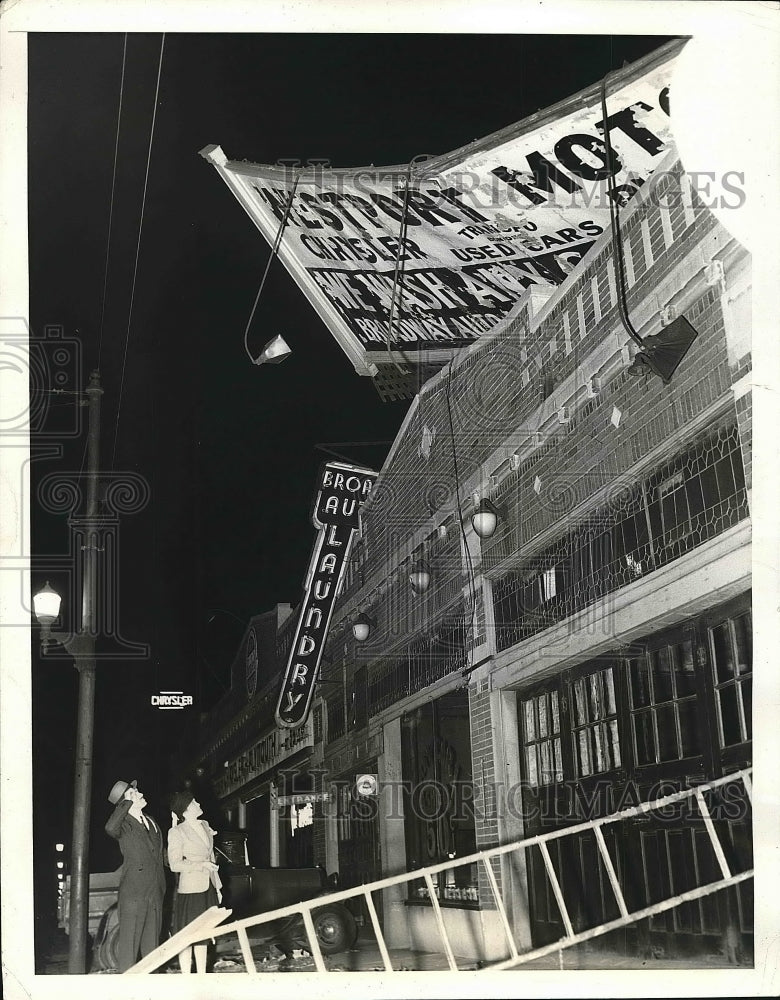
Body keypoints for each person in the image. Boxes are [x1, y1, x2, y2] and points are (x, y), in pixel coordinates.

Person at [104, 778, 166, 973]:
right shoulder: (122, 825)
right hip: (134, 892)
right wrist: (127, 802)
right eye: (135, 793)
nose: (141, 794)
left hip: (154, 890)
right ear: (126, 800)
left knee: (152, 945)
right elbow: (110, 828)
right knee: (129, 945)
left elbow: (159, 855)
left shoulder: (151, 821)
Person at [167, 791, 222, 974]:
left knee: (203, 935)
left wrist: (218, 886)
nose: (198, 803)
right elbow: (175, 864)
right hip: (191, 889)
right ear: (186, 809)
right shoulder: (176, 832)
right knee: (187, 935)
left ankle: (201, 975)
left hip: (208, 887)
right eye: (194, 801)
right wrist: (200, 865)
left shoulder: (205, 825)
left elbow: (211, 856)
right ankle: (186, 976)